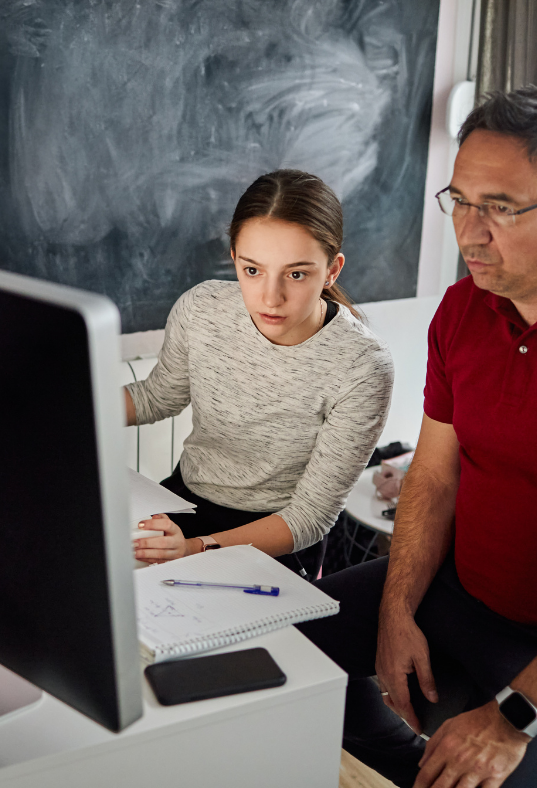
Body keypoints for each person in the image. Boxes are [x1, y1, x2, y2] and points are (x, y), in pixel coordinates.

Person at [298, 85, 537, 787]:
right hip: (461, 592)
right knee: (272, 650)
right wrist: (395, 612)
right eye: (459, 200)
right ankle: (409, 769)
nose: (468, 232)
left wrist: (511, 720)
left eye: (501, 208)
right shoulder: (463, 310)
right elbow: (431, 476)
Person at [125, 169, 394, 578]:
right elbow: (155, 397)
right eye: (252, 270)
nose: (271, 297)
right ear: (234, 258)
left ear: (332, 270)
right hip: (185, 502)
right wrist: (59, 409)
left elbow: (310, 517)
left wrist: (197, 549)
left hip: (276, 539)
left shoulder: (362, 366)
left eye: (297, 274)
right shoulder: (202, 309)